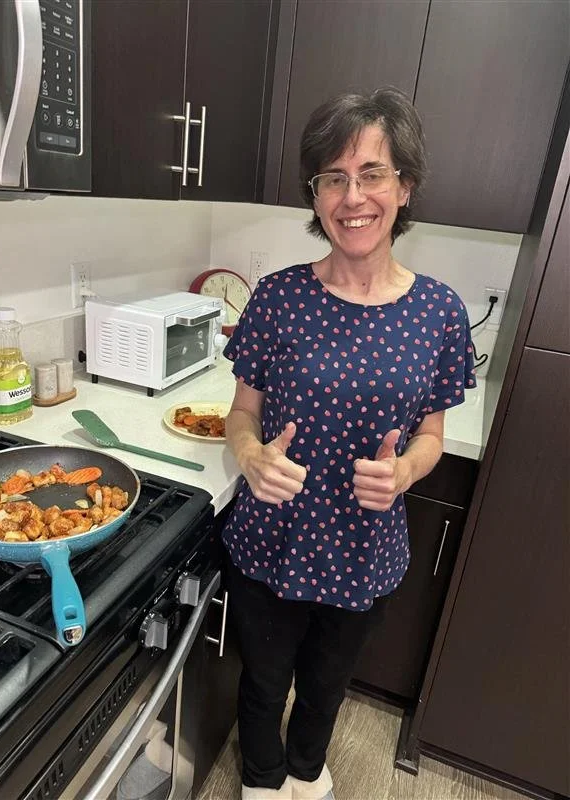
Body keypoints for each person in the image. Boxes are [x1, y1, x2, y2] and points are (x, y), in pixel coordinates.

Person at [221, 87, 476, 800]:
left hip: (365, 550)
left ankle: (306, 769)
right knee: (265, 681)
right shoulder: (276, 297)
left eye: (372, 173)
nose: (351, 195)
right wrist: (249, 454)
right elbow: (241, 414)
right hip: (273, 537)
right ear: (315, 195)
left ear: (405, 187)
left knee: (328, 685)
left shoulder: (439, 312)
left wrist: (402, 474)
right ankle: (264, 779)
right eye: (332, 177)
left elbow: (431, 437)